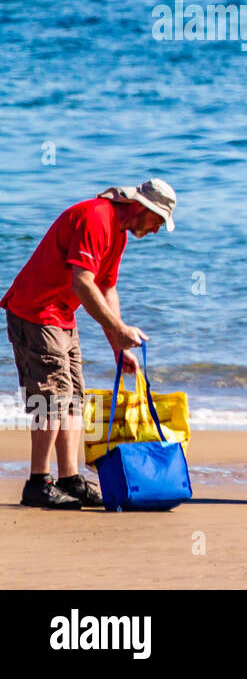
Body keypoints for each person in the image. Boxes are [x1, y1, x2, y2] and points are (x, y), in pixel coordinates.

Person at [2, 178, 177, 509]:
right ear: (142, 208)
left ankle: (69, 479)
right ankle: (38, 482)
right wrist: (118, 329)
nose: (156, 230)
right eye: (157, 221)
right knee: (50, 398)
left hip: (62, 315)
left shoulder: (118, 234)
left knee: (73, 398)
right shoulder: (96, 218)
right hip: (36, 311)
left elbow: (107, 288)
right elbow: (82, 283)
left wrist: (119, 345)